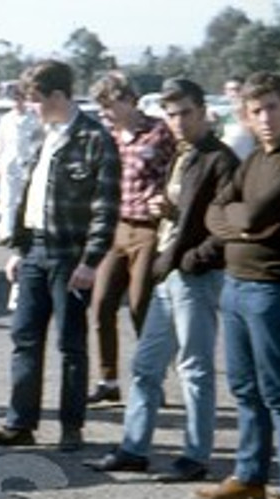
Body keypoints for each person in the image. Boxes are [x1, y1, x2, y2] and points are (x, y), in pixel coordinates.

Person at [85, 78, 239, 483]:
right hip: (168, 273)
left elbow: (228, 225)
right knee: (146, 366)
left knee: (194, 369)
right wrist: (166, 208)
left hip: (194, 276)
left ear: (204, 112)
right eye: (171, 114)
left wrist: (192, 258)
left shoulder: (219, 159)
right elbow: (185, 210)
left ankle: (195, 455)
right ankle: (134, 449)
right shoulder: (184, 155)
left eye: (186, 112)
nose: (178, 121)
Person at [0, 59, 121, 453]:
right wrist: (18, 249)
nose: (32, 108)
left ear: (58, 96)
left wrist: (91, 261)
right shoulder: (43, 136)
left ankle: (72, 428)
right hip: (36, 250)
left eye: (37, 100)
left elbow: (106, 208)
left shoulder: (94, 139)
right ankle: (20, 424)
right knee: (24, 337)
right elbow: (27, 199)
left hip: (72, 256)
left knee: (71, 344)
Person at [200, 71, 280, 499]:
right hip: (237, 284)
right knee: (245, 388)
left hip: (275, 288)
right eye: (255, 111)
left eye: (272, 108)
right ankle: (249, 476)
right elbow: (213, 212)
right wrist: (243, 226)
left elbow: (259, 212)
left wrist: (242, 218)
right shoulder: (253, 160)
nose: (264, 118)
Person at [86, 71, 176, 407]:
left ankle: (151, 380)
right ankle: (108, 380)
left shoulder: (158, 133)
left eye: (109, 105)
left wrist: (168, 199)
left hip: (149, 229)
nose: (104, 112)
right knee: (102, 304)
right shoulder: (106, 135)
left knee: (141, 305)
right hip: (114, 228)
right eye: (101, 107)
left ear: (128, 101)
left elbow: (179, 172)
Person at [0, 79, 42, 245]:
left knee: (27, 199)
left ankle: (24, 234)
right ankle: (6, 233)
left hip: (28, 163)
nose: (17, 101)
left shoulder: (35, 119)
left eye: (20, 98)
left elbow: (39, 141)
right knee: (7, 199)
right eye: (15, 98)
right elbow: (0, 143)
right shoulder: (6, 119)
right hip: (10, 163)